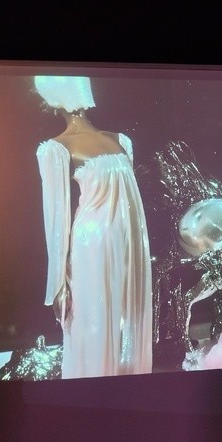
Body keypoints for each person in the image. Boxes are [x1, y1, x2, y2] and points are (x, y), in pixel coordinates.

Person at [35, 75, 152, 378]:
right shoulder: (56, 149)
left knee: (130, 318)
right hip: (93, 247)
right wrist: (58, 283)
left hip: (131, 242)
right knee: (94, 321)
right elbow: (56, 219)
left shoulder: (121, 140)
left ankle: (130, 387)